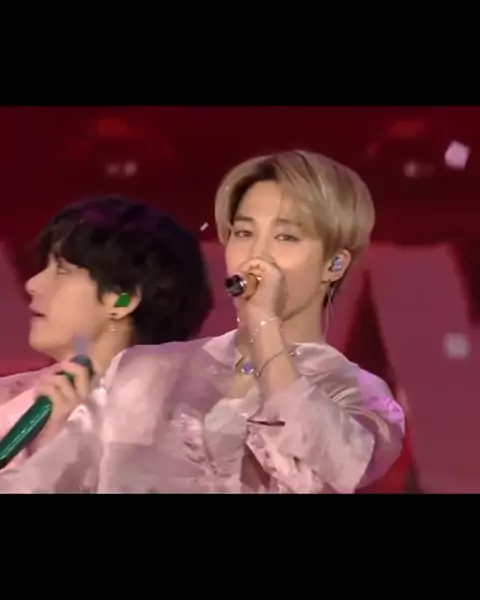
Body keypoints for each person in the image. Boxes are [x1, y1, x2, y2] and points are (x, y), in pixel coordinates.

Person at [0, 150, 405, 493]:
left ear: (334, 264)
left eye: (286, 237)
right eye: (243, 233)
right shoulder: (145, 370)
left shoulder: (359, 395)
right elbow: (49, 479)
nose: (256, 256)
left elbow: (339, 464)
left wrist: (264, 327)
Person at [0, 195, 213, 488]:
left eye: (62, 270)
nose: (32, 284)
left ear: (122, 299)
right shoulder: (11, 397)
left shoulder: (179, 432)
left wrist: (61, 452)